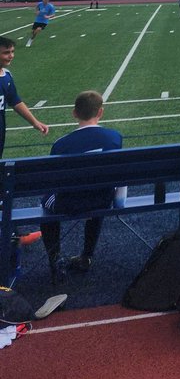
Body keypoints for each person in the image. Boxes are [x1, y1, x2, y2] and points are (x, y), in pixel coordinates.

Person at [40, 90, 123, 283]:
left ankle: (55, 258)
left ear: (74, 113)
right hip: (102, 200)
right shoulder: (114, 138)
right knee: (99, 189)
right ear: (100, 112)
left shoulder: (61, 145)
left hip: (68, 202)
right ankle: (87, 255)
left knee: (45, 204)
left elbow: (53, 180)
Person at [0, 36, 49, 158]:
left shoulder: (6, 76)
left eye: (12, 52)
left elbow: (15, 101)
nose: (11, 56)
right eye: (6, 53)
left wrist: (34, 122)